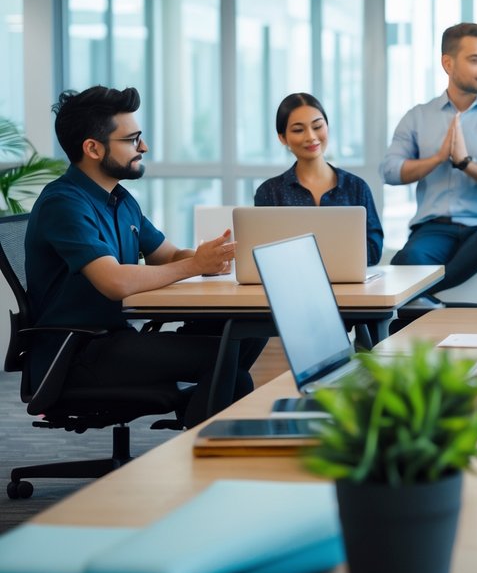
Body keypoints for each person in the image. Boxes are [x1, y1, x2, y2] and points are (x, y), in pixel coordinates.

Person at [25, 86, 263, 428]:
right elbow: (114, 282)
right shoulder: (64, 203)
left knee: (245, 332)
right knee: (226, 358)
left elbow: (166, 255)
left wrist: (210, 257)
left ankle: (198, 439)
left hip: (116, 339)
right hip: (76, 353)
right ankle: (196, 458)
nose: (144, 147)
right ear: (92, 148)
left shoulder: (120, 200)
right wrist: (194, 265)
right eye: (132, 139)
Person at [381, 22, 477, 291]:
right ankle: (428, 293)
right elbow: (390, 171)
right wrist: (438, 158)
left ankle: (429, 291)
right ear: (448, 64)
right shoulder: (418, 116)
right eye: (475, 60)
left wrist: (465, 163)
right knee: (408, 259)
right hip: (433, 229)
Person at [254, 92, 384, 265]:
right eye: (298, 130)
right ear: (282, 138)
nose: (311, 137)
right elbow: (265, 256)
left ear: (327, 127)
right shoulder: (269, 192)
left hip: (351, 286)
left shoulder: (356, 187)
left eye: (317, 127)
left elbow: (374, 252)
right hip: (293, 284)